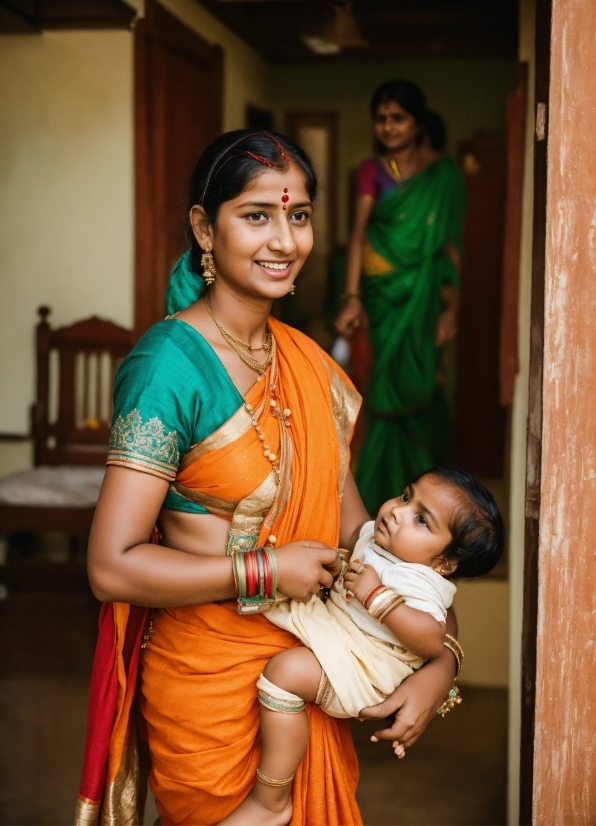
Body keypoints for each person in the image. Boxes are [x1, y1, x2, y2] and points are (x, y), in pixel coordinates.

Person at [76, 129, 461, 826]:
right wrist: (263, 570)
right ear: (204, 225)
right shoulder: (168, 368)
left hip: (304, 674)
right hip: (208, 688)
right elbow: (110, 566)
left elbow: (368, 542)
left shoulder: (309, 365)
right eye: (257, 214)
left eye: (300, 214)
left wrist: (444, 663)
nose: (285, 239)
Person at [220, 467, 504, 825]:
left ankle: (270, 801)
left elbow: (432, 641)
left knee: (285, 673)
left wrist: (377, 596)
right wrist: (338, 457)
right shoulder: (379, 539)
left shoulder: (424, 582)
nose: (397, 511)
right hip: (340, 634)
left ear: (445, 563)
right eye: (405, 496)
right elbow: (354, 524)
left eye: (421, 519)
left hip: (369, 666)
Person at [335, 79, 466, 515]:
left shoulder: (441, 175)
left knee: (424, 386)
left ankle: (432, 504)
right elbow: (357, 235)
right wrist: (352, 296)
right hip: (381, 302)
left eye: (398, 117)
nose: (389, 126)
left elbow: (449, 246)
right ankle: (373, 504)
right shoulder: (375, 171)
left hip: (424, 303)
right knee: (378, 390)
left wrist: (453, 307)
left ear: (417, 122)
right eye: (381, 118)